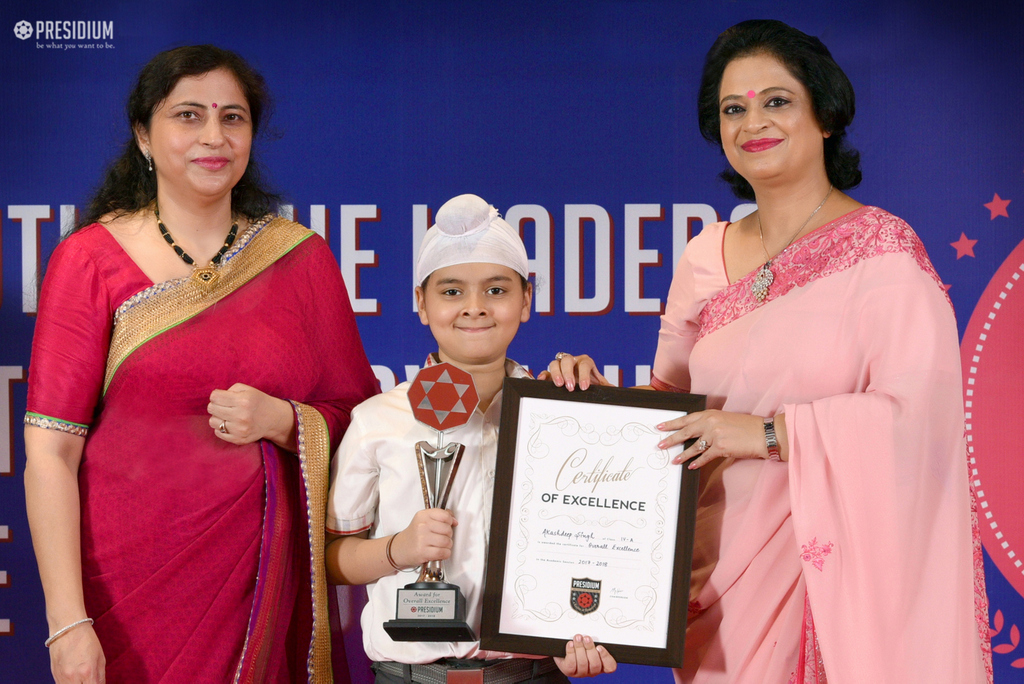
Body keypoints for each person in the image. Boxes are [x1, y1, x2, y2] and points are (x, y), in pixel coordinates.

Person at [543, 20, 991, 683]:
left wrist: (768, 434)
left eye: (776, 101)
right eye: (733, 109)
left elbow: (919, 423)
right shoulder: (704, 255)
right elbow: (668, 410)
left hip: (830, 588)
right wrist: (587, 399)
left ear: (825, 115)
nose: (753, 121)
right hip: (717, 588)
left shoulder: (883, 256)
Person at [23, 45, 378, 684]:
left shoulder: (299, 260)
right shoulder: (89, 260)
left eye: (232, 117)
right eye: (188, 115)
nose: (214, 136)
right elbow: (51, 452)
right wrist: (68, 622)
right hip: (126, 594)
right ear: (143, 134)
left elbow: (365, 425)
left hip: (263, 587)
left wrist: (283, 421)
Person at [324, 193, 617, 684]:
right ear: (422, 303)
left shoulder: (561, 417)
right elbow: (335, 559)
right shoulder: (378, 419)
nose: (475, 308)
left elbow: (601, 543)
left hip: (533, 674)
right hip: (408, 677)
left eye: (497, 290)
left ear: (526, 300)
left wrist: (583, 633)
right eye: (452, 291)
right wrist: (399, 549)